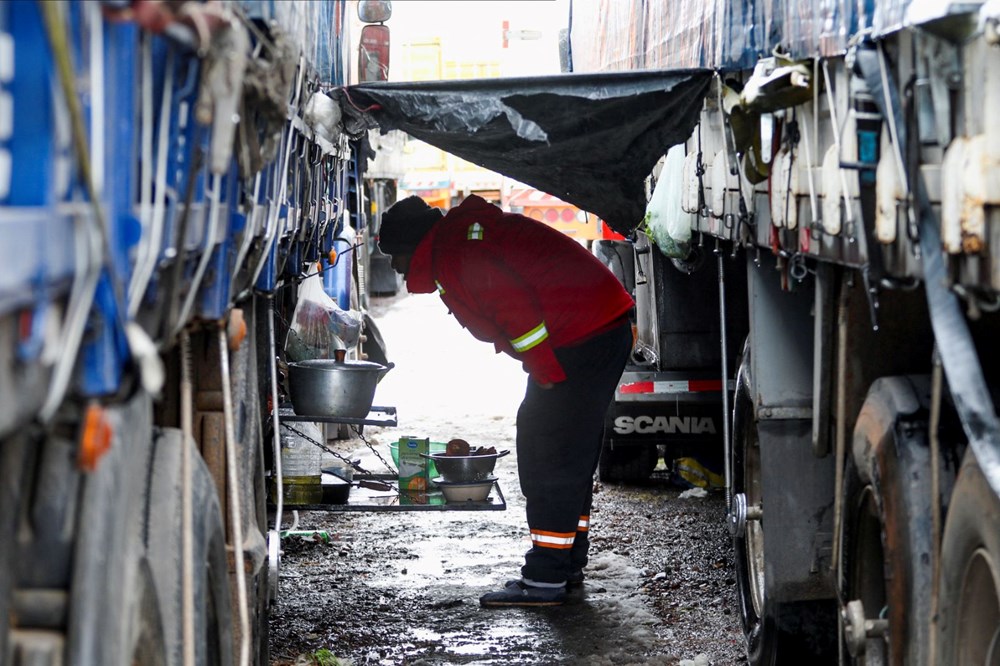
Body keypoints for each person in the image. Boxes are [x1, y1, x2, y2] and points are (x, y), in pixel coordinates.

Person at [377, 194, 634, 607]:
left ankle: (545, 579)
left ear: (415, 246)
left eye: (395, 255)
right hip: (593, 329)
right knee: (566, 451)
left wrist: (545, 372)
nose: (394, 266)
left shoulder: (460, 252)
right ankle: (564, 565)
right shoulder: (457, 244)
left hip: (584, 336)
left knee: (548, 453)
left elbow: (519, 316)